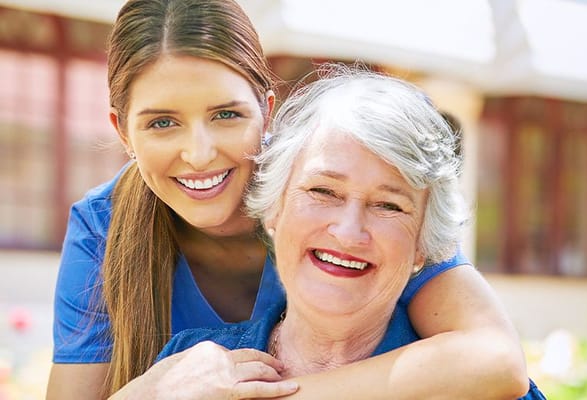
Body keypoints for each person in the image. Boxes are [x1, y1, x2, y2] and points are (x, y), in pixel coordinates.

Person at [48, 0, 529, 398]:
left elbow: (495, 359)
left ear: (266, 109)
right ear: (123, 132)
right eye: (162, 122)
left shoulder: (339, 183)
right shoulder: (102, 226)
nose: (199, 154)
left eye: (226, 114)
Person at [155, 65, 545, 399]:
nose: (348, 232)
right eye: (323, 191)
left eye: (388, 205)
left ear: (423, 246)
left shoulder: (485, 391)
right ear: (274, 209)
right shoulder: (187, 372)